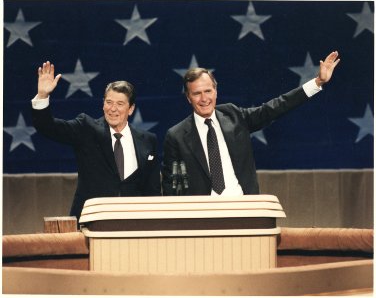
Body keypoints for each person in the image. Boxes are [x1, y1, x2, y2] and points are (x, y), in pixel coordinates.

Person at [162, 51, 340, 196]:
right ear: (188, 97)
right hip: (202, 215)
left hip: (244, 207)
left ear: (216, 91)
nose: (204, 98)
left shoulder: (233, 115)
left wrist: (317, 82)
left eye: (208, 91)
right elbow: (172, 185)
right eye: (197, 93)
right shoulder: (177, 135)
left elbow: (275, 108)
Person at [31, 61, 161, 218]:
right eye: (109, 102)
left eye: (120, 104)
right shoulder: (87, 128)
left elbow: (152, 190)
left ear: (131, 108)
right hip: (93, 219)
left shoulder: (147, 140)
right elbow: (48, 127)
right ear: (103, 104)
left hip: (132, 222)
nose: (113, 109)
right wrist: (43, 96)